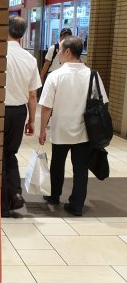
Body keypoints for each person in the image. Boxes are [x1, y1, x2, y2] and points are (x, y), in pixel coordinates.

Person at [38, 36, 108, 216]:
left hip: (60, 129)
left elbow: (46, 107)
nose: (59, 54)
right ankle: (76, 205)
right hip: (84, 131)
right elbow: (102, 102)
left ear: (68, 52)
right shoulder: (93, 75)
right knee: (81, 169)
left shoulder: (55, 76)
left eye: (60, 50)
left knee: (57, 164)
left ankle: (54, 196)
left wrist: (42, 130)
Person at [2, 16, 42, 217]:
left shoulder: (0, 54)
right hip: (19, 112)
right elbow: (32, 95)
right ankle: (15, 193)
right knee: (10, 154)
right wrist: (32, 120)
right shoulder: (30, 59)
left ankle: (4, 204)